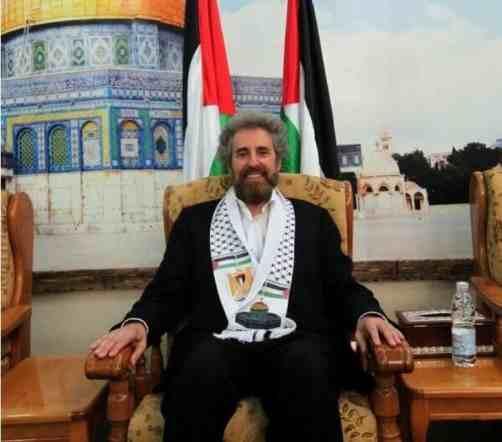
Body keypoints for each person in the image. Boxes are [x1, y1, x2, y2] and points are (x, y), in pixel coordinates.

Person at [91, 111, 403, 442]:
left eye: (262, 152)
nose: (253, 162)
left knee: (307, 368)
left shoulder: (313, 220)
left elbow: (342, 287)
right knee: (199, 370)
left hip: (297, 345)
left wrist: (367, 315)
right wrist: (138, 323)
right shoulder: (195, 222)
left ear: (277, 161)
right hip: (217, 344)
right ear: (230, 163)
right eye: (242, 153)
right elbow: (166, 293)